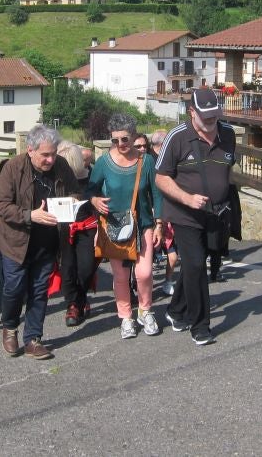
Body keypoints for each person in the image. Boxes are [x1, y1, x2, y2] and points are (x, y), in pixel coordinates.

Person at [0, 125, 82, 360]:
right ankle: (10, 327)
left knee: (39, 291)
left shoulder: (61, 165)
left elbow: (74, 191)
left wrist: (71, 203)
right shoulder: (13, 168)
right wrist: (30, 215)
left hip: (48, 242)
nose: (51, 159)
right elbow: (0, 205)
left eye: (53, 154)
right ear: (30, 150)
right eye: (45, 155)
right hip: (16, 243)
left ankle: (33, 339)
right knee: (14, 288)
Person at [155, 88, 236, 346]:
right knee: (198, 265)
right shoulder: (177, 137)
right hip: (184, 214)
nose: (212, 123)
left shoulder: (228, 134)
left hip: (215, 214)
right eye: (206, 118)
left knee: (192, 265)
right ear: (192, 112)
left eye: (215, 116)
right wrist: (188, 199)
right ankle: (200, 325)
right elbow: (160, 177)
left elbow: (226, 170)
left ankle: (176, 310)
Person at [87, 114, 163, 339]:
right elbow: (89, 190)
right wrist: (94, 200)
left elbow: (157, 195)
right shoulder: (104, 162)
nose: (120, 144)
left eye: (125, 139)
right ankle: (126, 317)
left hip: (143, 225)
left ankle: (145, 310)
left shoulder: (146, 161)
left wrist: (159, 224)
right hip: (114, 227)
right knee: (120, 277)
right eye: (115, 140)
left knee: (145, 273)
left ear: (134, 136)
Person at [56, 141, 96, 327]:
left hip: (87, 228)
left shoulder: (91, 177)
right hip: (62, 229)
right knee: (67, 268)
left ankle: (81, 298)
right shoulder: (56, 179)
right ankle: (73, 304)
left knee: (86, 268)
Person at [149, 129, 178, 296]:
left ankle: (168, 281)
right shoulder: (149, 161)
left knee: (173, 256)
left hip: (170, 215)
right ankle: (142, 285)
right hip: (154, 214)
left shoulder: (170, 159)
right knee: (148, 257)